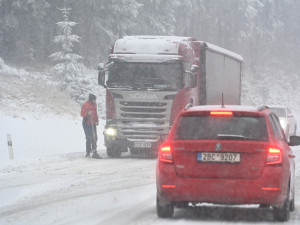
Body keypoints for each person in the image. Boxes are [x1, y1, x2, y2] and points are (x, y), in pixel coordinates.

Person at [80, 93, 101, 158]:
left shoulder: (94, 105)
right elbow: (82, 114)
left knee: (95, 137)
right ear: (91, 99)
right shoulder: (85, 105)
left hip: (93, 123)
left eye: (95, 100)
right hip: (86, 123)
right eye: (94, 100)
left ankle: (94, 151)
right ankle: (88, 153)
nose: (95, 101)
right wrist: (87, 113)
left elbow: (95, 113)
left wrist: (97, 120)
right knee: (89, 138)